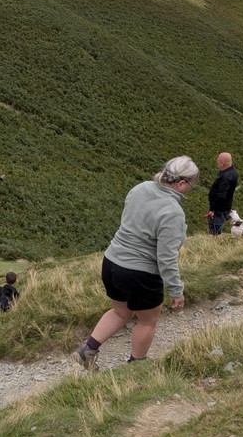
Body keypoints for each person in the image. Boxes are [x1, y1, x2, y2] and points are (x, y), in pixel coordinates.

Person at [76, 156, 195, 369]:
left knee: (121, 312)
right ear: (182, 183)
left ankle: (88, 350)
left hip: (112, 261)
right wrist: (177, 290)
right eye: (191, 185)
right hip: (140, 273)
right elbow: (166, 258)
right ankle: (136, 366)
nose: (189, 190)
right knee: (147, 320)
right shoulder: (173, 212)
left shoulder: (141, 188)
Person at [207, 152, 239, 236]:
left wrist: (212, 209)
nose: (217, 163)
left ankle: (213, 247)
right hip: (224, 206)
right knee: (216, 229)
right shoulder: (232, 172)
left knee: (214, 232)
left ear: (222, 163)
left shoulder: (226, 176)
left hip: (219, 209)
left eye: (218, 161)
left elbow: (221, 195)